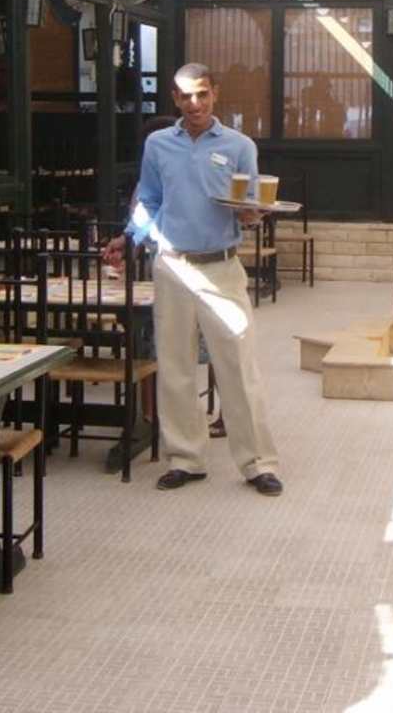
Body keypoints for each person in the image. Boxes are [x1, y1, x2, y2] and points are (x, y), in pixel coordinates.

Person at [102, 63, 282, 496]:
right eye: (185, 96)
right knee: (176, 366)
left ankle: (257, 463)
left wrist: (252, 215)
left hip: (222, 266)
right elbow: (149, 200)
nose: (194, 103)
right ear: (175, 98)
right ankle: (186, 459)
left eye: (202, 94)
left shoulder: (239, 145)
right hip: (172, 265)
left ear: (214, 92)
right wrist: (128, 237)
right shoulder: (158, 144)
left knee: (238, 366)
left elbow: (250, 203)